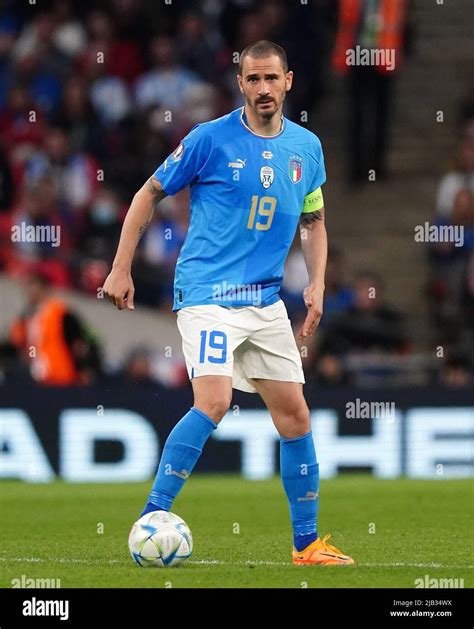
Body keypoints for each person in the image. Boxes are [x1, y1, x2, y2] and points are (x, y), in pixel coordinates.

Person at [103, 40, 354, 566]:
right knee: (214, 401)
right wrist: (121, 267)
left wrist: (317, 280)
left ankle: (306, 546)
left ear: (288, 82)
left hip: (264, 301)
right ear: (240, 84)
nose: (263, 89)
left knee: (296, 419)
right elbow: (148, 193)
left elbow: (314, 222)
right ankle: (152, 517)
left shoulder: (306, 149)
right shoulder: (208, 140)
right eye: (253, 79)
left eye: (272, 79)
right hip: (208, 292)